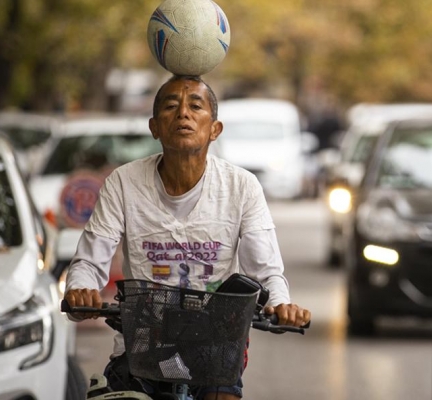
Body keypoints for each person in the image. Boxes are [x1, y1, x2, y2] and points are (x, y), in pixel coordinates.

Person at [63, 75, 311, 399]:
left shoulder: (242, 186)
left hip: (216, 349)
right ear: (154, 127)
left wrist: (280, 304)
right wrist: (81, 291)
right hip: (142, 347)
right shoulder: (123, 182)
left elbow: (266, 272)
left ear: (215, 129)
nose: (183, 113)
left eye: (195, 106)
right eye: (171, 106)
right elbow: (89, 261)